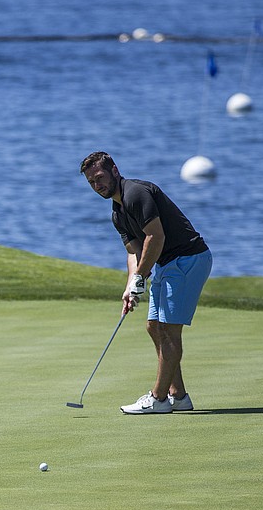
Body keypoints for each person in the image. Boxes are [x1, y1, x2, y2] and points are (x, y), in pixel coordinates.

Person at [79, 151, 213, 414]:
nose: (97, 185)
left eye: (100, 178)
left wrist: (141, 276)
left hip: (187, 259)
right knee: (154, 327)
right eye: (92, 182)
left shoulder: (136, 194)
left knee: (169, 330)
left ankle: (158, 398)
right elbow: (134, 252)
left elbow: (156, 237)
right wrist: (131, 286)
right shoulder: (117, 212)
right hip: (167, 263)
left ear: (114, 171)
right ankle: (179, 395)